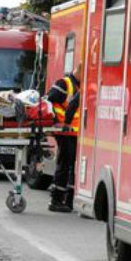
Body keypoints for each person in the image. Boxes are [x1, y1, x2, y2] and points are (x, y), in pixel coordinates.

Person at [46, 66, 81, 213]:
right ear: (79, 72)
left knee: (72, 166)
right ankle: (56, 200)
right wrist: (62, 122)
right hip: (65, 131)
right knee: (65, 164)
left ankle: (68, 201)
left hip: (75, 132)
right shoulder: (65, 83)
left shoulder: (79, 85)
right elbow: (49, 101)